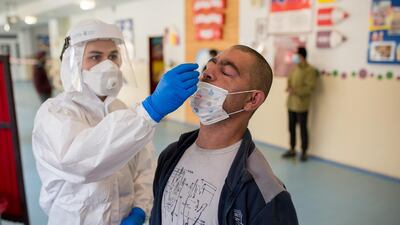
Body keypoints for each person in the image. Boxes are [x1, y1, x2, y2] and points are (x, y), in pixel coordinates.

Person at [32, 19, 199, 225]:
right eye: (95, 57)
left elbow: (144, 168)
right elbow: (82, 162)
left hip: (124, 217)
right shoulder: (56, 112)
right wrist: (149, 111)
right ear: (74, 63)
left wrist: (140, 207)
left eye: (113, 56)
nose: (108, 64)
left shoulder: (122, 110)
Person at [150, 45, 298, 225]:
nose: (206, 74)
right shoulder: (170, 155)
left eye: (226, 72)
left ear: (252, 99)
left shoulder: (265, 193)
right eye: (207, 66)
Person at [282, 47, 317, 162]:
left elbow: (310, 88)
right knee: (291, 128)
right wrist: (289, 87)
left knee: (302, 129)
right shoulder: (295, 68)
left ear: (302, 56)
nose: (294, 57)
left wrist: (295, 91)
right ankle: (292, 149)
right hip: (291, 104)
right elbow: (290, 81)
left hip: (302, 106)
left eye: (296, 55)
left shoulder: (310, 70)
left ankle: (304, 152)